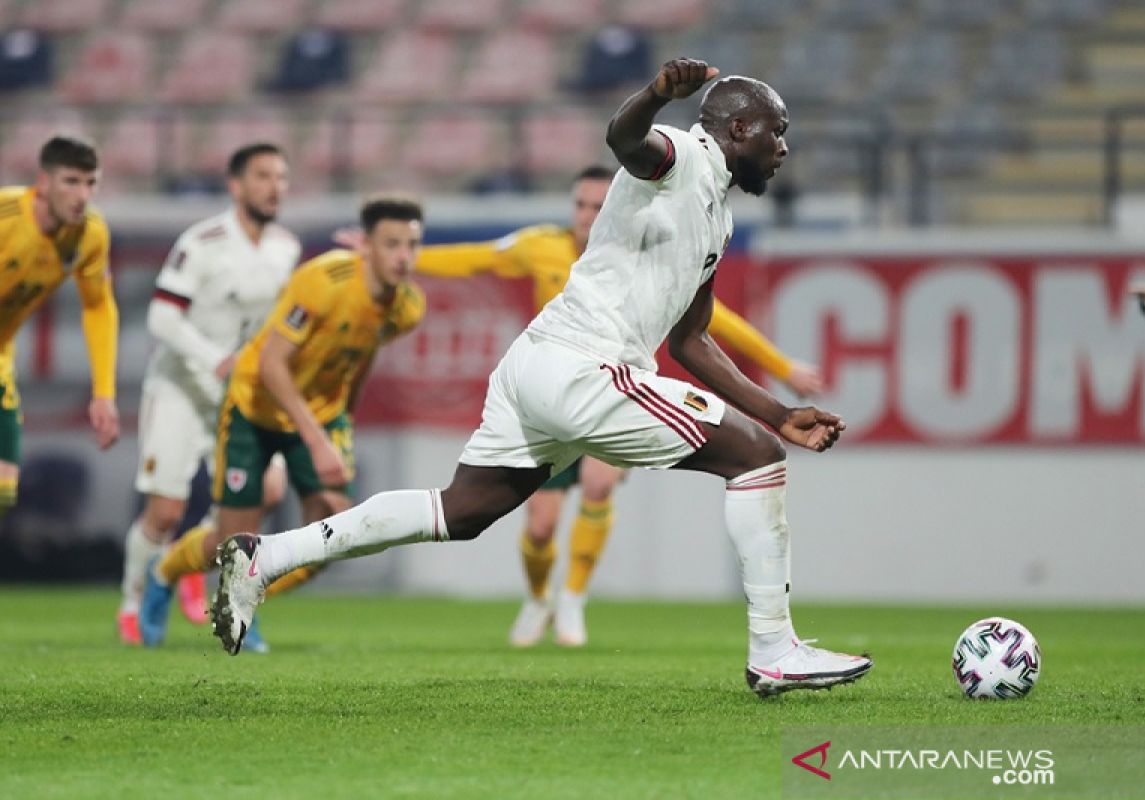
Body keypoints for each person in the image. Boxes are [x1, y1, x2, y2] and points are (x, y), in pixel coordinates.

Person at [212, 59, 873, 698]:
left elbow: (691, 340)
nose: (783, 146)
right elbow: (624, 138)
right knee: (757, 460)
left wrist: (778, 409)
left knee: (460, 511)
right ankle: (773, 651)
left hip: (540, 364)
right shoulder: (680, 153)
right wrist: (653, 93)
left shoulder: (717, 215)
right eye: (775, 129)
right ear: (735, 128)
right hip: (585, 367)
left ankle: (262, 556)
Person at [403, 165, 823, 648]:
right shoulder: (539, 245)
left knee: (599, 486)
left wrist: (781, 365)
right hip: (553, 395)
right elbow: (474, 259)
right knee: (540, 527)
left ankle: (573, 600)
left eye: (596, 207)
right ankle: (539, 597)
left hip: (611, 388)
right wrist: (404, 258)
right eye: (579, 206)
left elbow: (713, 318)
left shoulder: (638, 253)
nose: (585, 216)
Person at [142, 196, 427, 650]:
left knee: (333, 538)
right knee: (230, 539)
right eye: (391, 244)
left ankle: (243, 602)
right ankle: (162, 574)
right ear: (366, 246)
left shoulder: (407, 307)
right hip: (254, 406)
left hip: (320, 416)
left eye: (412, 245)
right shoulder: (322, 281)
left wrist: (343, 421)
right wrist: (317, 441)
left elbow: (363, 350)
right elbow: (273, 364)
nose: (403, 256)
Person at [116, 143, 301, 645]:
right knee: (165, 513)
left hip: (237, 395)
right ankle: (133, 602)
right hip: (180, 386)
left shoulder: (286, 248)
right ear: (236, 185)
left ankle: (200, 570)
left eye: (281, 177)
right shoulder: (202, 242)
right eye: (262, 176)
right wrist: (214, 358)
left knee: (263, 493)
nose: (274, 186)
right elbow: (161, 317)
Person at [0, 135, 119, 518]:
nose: (82, 195)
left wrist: (103, 392)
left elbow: (98, 306)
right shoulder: (6, 218)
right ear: (44, 182)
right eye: (71, 181)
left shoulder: (90, 235)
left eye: (90, 183)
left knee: (4, 488)